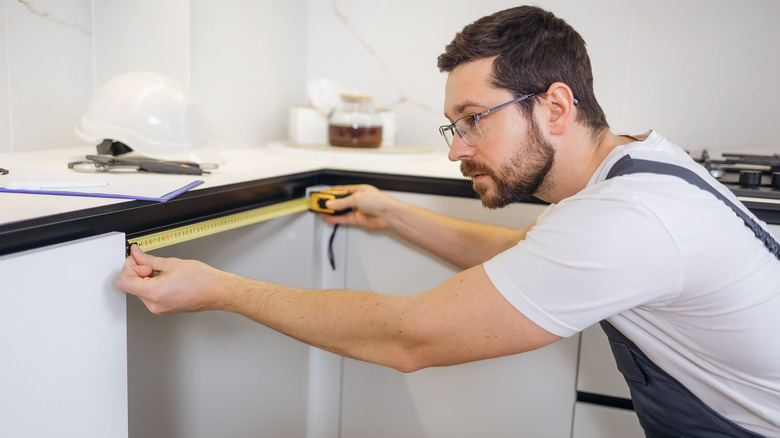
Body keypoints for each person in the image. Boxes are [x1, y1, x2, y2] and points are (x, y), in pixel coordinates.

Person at [118, 5, 780, 437]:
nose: (456, 148)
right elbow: (532, 256)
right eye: (453, 124)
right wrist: (396, 216)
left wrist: (222, 288)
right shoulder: (636, 165)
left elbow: (408, 339)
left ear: (554, 106)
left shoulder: (630, 219)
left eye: (474, 120)